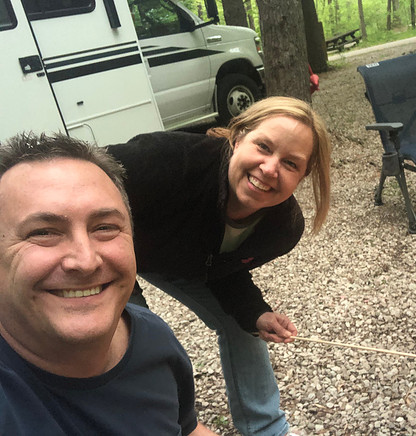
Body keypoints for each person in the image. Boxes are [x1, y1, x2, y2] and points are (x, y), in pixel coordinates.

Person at [107, 96, 332, 436]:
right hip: (115, 251)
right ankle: (159, 424)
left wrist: (255, 313)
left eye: (290, 163)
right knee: (135, 333)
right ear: (238, 137)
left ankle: (267, 428)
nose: (270, 169)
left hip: (175, 258)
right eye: (263, 147)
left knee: (245, 326)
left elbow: (219, 267)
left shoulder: (282, 229)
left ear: (302, 176)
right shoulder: (168, 158)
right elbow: (81, 173)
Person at [0, 133, 216, 436]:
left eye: (104, 227)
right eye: (43, 232)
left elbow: (186, 429)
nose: (86, 261)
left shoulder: (151, 338)